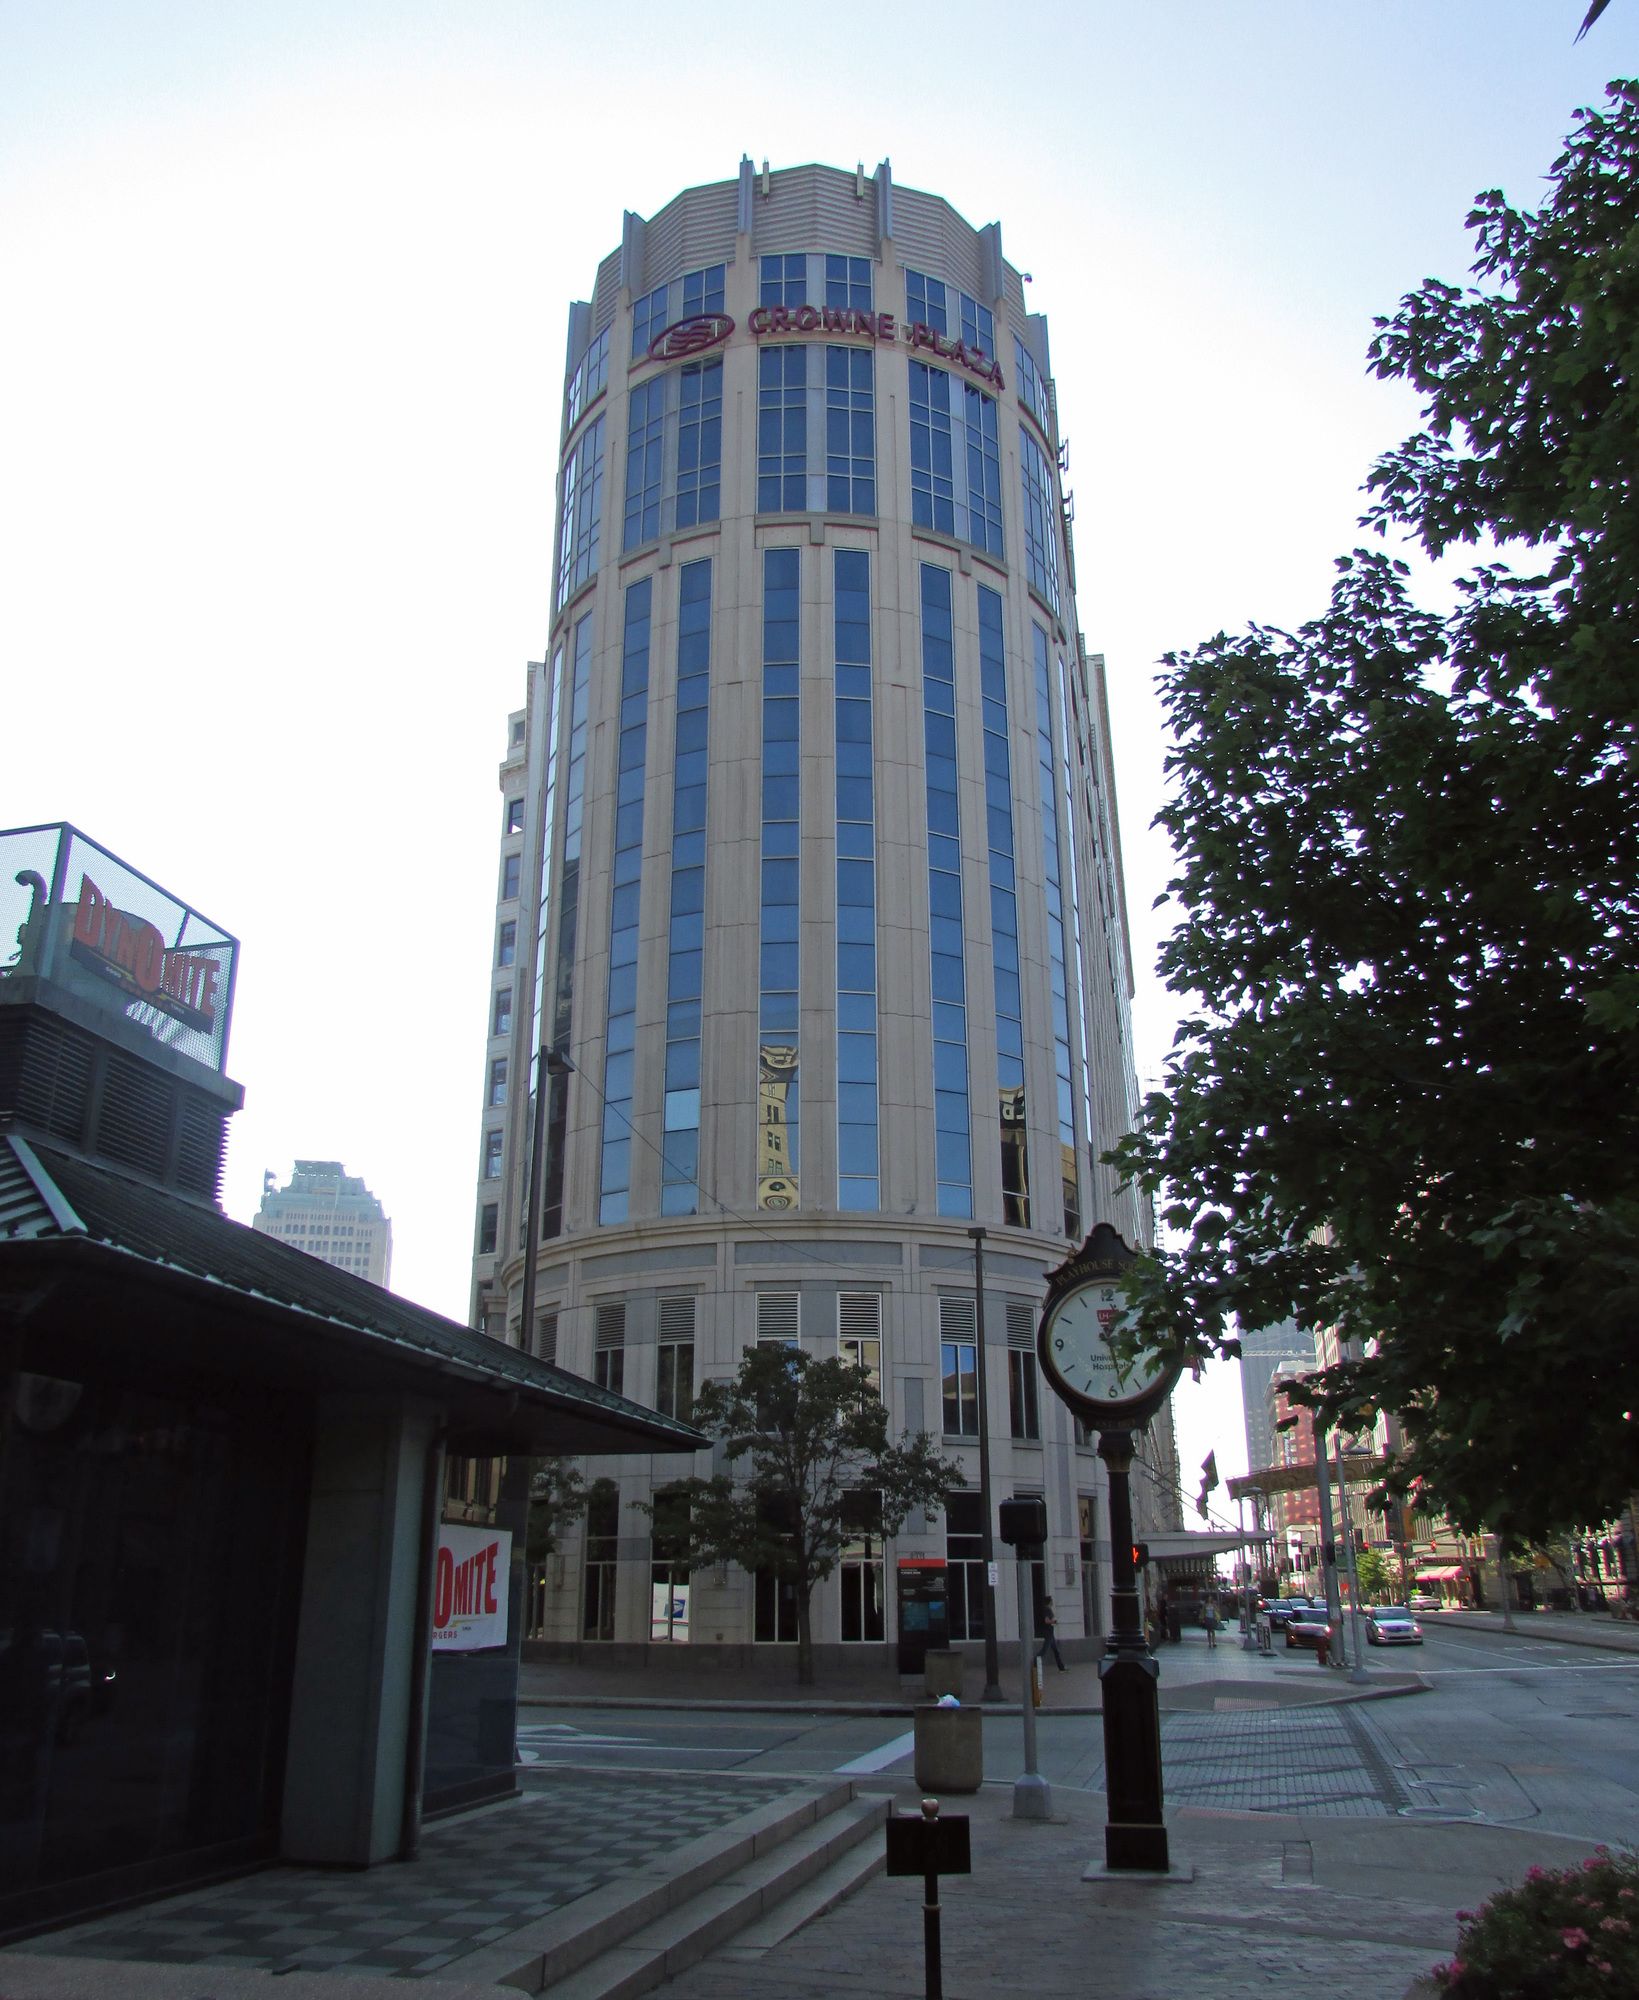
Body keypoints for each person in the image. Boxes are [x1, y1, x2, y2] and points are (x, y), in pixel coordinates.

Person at [1038, 1595, 1066, 1671]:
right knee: (1044, 1650)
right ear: (1049, 1602)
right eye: (1051, 1601)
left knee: (1056, 1651)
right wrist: (1053, 1621)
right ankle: (1035, 1662)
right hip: (1048, 1633)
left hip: (1050, 1633)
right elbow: (1046, 1621)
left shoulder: (1047, 1609)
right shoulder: (1047, 1610)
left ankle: (1061, 1668)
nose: (1052, 1602)